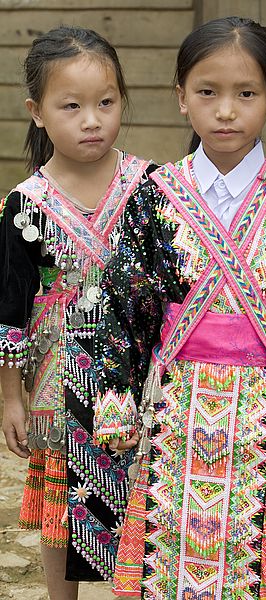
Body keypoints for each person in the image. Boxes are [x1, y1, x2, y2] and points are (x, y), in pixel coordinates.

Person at [93, 15, 266, 600]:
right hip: (176, 408)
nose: (226, 111)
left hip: (263, 411)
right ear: (180, 99)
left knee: (256, 563)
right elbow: (125, 301)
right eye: (207, 92)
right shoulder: (156, 194)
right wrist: (114, 394)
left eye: (246, 94)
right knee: (170, 550)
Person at [0, 25, 155, 600]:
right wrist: (11, 396)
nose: (92, 119)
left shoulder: (154, 187)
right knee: (62, 498)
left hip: (141, 374)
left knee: (144, 491)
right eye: (72, 106)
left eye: (106, 103)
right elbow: (8, 308)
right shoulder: (26, 205)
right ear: (36, 112)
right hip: (57, 380)